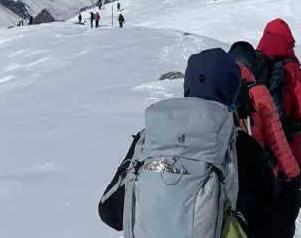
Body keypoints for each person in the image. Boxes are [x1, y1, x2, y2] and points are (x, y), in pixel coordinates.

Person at [98, 48, 278, 238]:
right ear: (232, 91)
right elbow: (272, 223)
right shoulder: (242, 145)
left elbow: (110, 212)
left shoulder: (150, 137)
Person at [256, 18, 301, 238]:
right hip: (289, 148)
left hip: (256, 148)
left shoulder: (254, 66)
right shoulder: (291, 69)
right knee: (288, 203)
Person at [228, 41, 300, 182]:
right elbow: (275, 136)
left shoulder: (220, 88)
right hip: (259, 168)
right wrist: (290, 171)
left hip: (228, 172)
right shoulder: (258, 91)